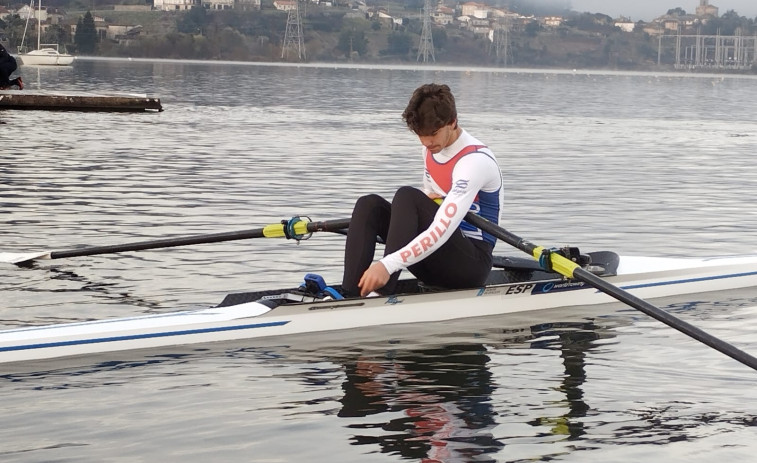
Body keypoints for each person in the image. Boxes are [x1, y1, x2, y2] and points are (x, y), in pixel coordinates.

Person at [341, 83, 503, 297]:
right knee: (369, 204)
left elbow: (440, 229)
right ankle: (350, 293)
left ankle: (382, 292)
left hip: (470, 266)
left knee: (407, 196)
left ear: (452, 122)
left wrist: (386, 264)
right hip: (435, 259)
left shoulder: (474, 161)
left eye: (433, 133)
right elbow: (428, 204)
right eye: (420, 134)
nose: (426, 141)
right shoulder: (430, 150)